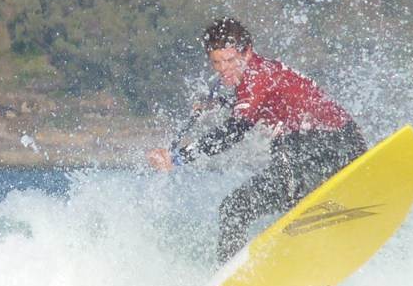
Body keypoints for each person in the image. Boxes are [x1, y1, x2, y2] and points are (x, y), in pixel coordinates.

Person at [147, 18, 367, 262]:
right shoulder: (256, 75)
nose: (223, 69)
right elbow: (266, 107)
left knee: (281, 150)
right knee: (234, 207)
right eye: (216, 63)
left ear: (248, 51)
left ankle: (313, 236)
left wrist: (178, 158)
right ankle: (230, 277)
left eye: (230, 60)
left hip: (335, 148)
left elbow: (235, 130)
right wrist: (222, 103)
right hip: (315, 151)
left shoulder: (256, 76)